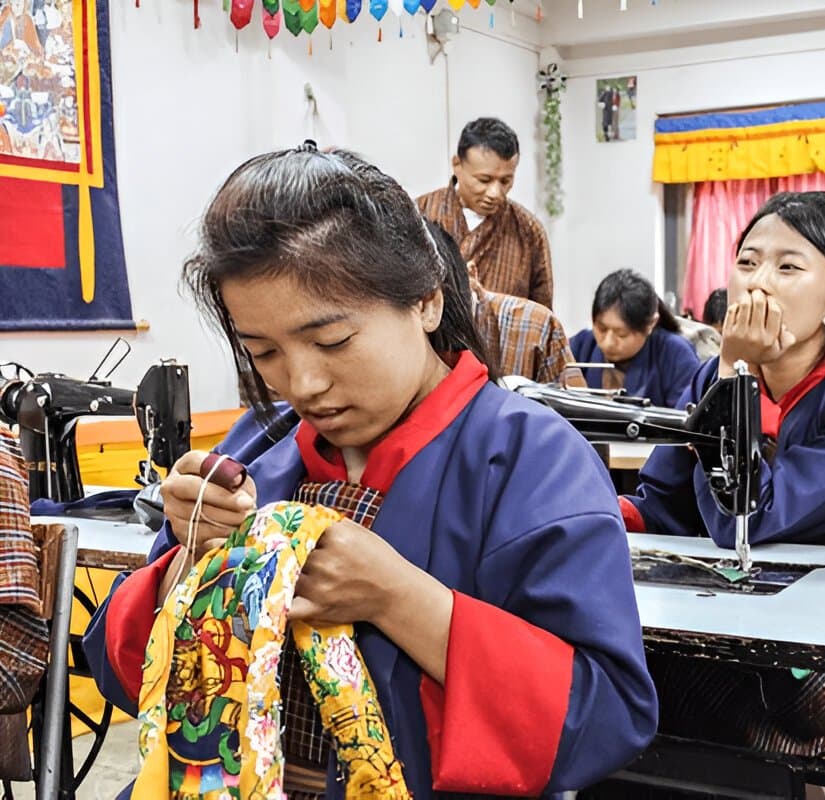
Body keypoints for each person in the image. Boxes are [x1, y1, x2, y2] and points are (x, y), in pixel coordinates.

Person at [82, 143, 657, 799]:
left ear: (426, 303)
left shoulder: (531, 460)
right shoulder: (257, 448)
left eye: (332, 341)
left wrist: (399, 598)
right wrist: (191, 565)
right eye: (263, 351)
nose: (302, 382)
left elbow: (605, 717)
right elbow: (118, 667)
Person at [620, 192, 825, 761]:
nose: (757, 283)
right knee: (602, 653)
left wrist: (732, 368)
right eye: (747, 262)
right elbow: (660, 505)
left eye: (787, 267)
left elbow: (746, 515)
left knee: (643, 682)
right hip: (737, 624)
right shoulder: (711, 382)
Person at [427, 218, 582, 386]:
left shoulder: (536, 327)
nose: (434, 311)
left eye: (446, 291)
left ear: (471, 273)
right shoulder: (412, 332)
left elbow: (575, 409)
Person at [417, 117, 554, 308]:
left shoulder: (528, 231)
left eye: (505, 181)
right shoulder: (419, 214)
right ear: (457, 165)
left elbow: (541, 314)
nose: (495, 193)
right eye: (484, 180)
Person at [570, 269, 700, 408]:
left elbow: (685, 420)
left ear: (651, 324)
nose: (608, 343)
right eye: (601, 329)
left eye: (621, 334)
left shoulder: (676, 354)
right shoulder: (581, 346)